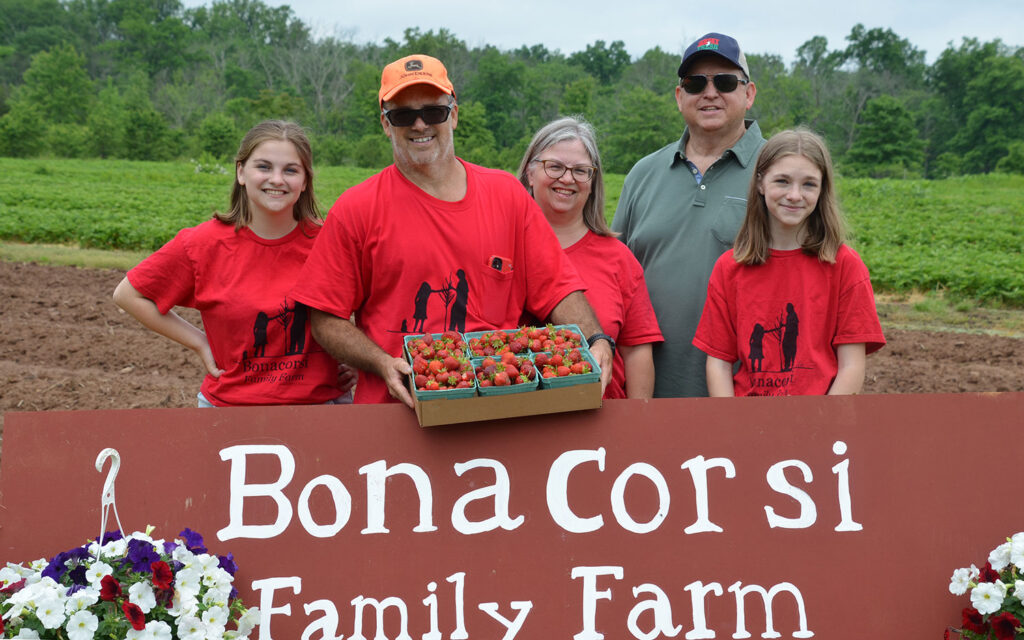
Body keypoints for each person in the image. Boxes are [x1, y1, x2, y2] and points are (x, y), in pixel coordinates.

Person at [291, 54, 613, 406]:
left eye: (433, 112)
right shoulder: (357, 208)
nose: (419, 125)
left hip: (498, 401)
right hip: (397, 409)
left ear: (454, 114)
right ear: (386, 124)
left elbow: (558, 289)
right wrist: (382, 362)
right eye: (402, 115)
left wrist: (596, 339)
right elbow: (325, 317)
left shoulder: (507, 196)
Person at [113, 120, 354, 407]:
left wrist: (361, 356)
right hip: (229, 411)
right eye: (263, 167)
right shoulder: (203, 244)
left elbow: (377, 304)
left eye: (290, 170)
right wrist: (200, 342)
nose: (277, 179)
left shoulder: (330, 242)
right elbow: (128, 294)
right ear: (241, 172)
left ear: (304, 181)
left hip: (320, 409)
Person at [612, 32, 766, 398]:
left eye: (726, 81)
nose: (709, 92)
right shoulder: (644, 173)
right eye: (695, 83)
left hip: (746, 396)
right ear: (680, 97)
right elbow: (614, 276)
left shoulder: (780, 173)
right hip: (646, 391)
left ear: (749, 94)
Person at [692, 128, 886, 396]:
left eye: (808, 184)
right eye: (782, 181)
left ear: (822, 190)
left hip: (819, 423)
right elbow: (719, 364)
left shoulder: (845, 266)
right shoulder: (730, 268)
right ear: (760, 183)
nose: (795, 195)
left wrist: (822, 426)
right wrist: (732, 426)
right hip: (749, 425)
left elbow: (851, 366)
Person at [517, 116, 663, 399]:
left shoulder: (618, 258)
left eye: (581, 171)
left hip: (603, 426)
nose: (567, 178)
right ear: (530, 173)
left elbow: (636, 353)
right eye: (555, 166)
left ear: (593, 181)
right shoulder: (501, 250)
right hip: (515, 425)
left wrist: (637, 425)